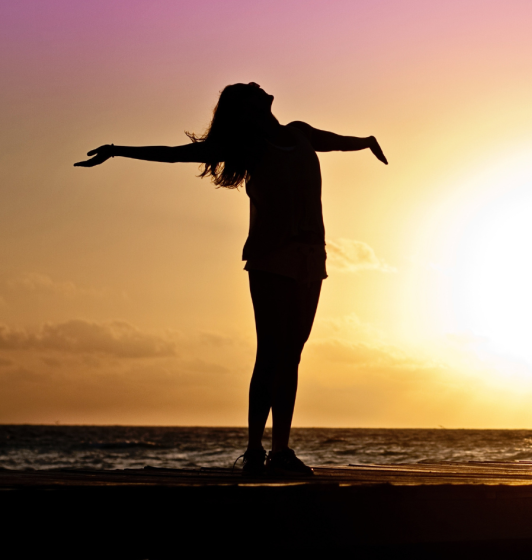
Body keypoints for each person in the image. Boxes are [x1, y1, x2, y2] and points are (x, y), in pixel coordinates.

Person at [75, 82, 388, 477]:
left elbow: (338, 142)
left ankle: (276, 451)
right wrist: (118, 150)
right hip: (271, 258)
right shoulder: (250, 146)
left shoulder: (299, 133)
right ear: (248, 109)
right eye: (250, 91)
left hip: (312, 259)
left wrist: (367, 141)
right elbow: (176, 156)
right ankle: (261, 451)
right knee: (272, 354)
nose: (260, 87)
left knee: (291, 355)